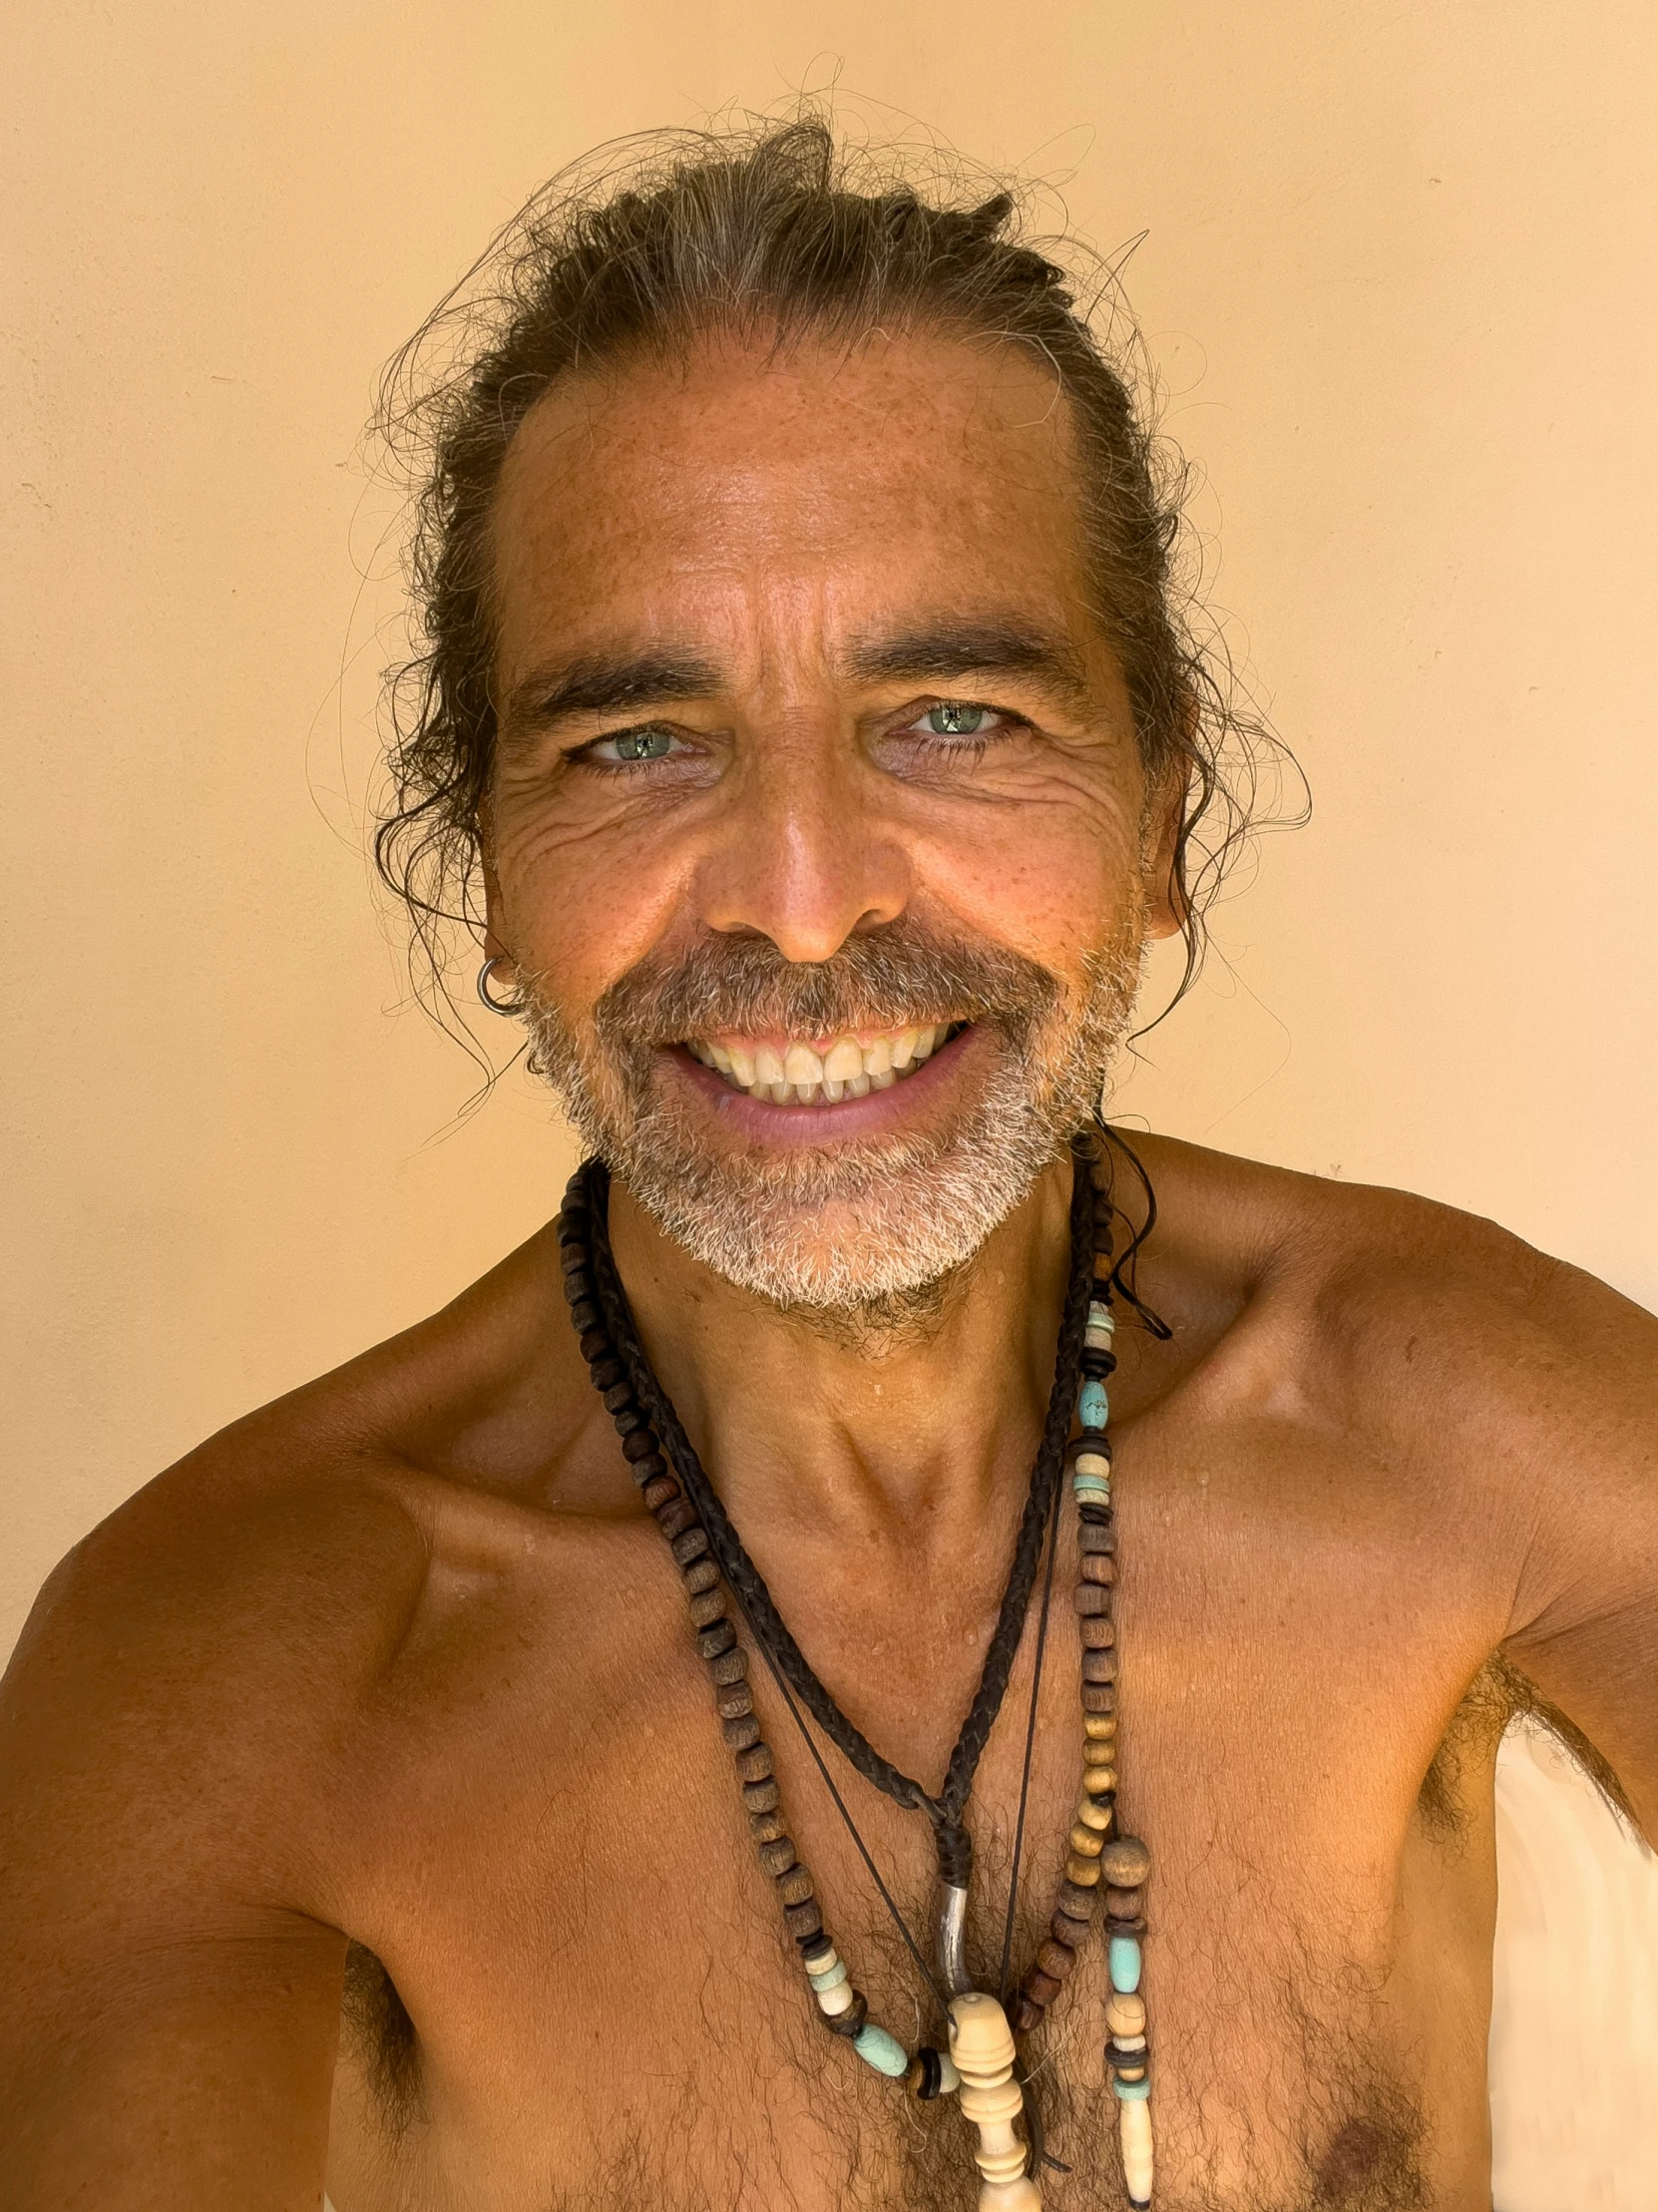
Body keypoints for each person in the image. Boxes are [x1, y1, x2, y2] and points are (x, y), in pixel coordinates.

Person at [1, 115, 1653, 2212]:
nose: (798, 900)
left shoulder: (1461, 1431)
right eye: (635, 743)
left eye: (952, 715)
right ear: (487, 877)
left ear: (1165, 811)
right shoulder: (243, 1676)